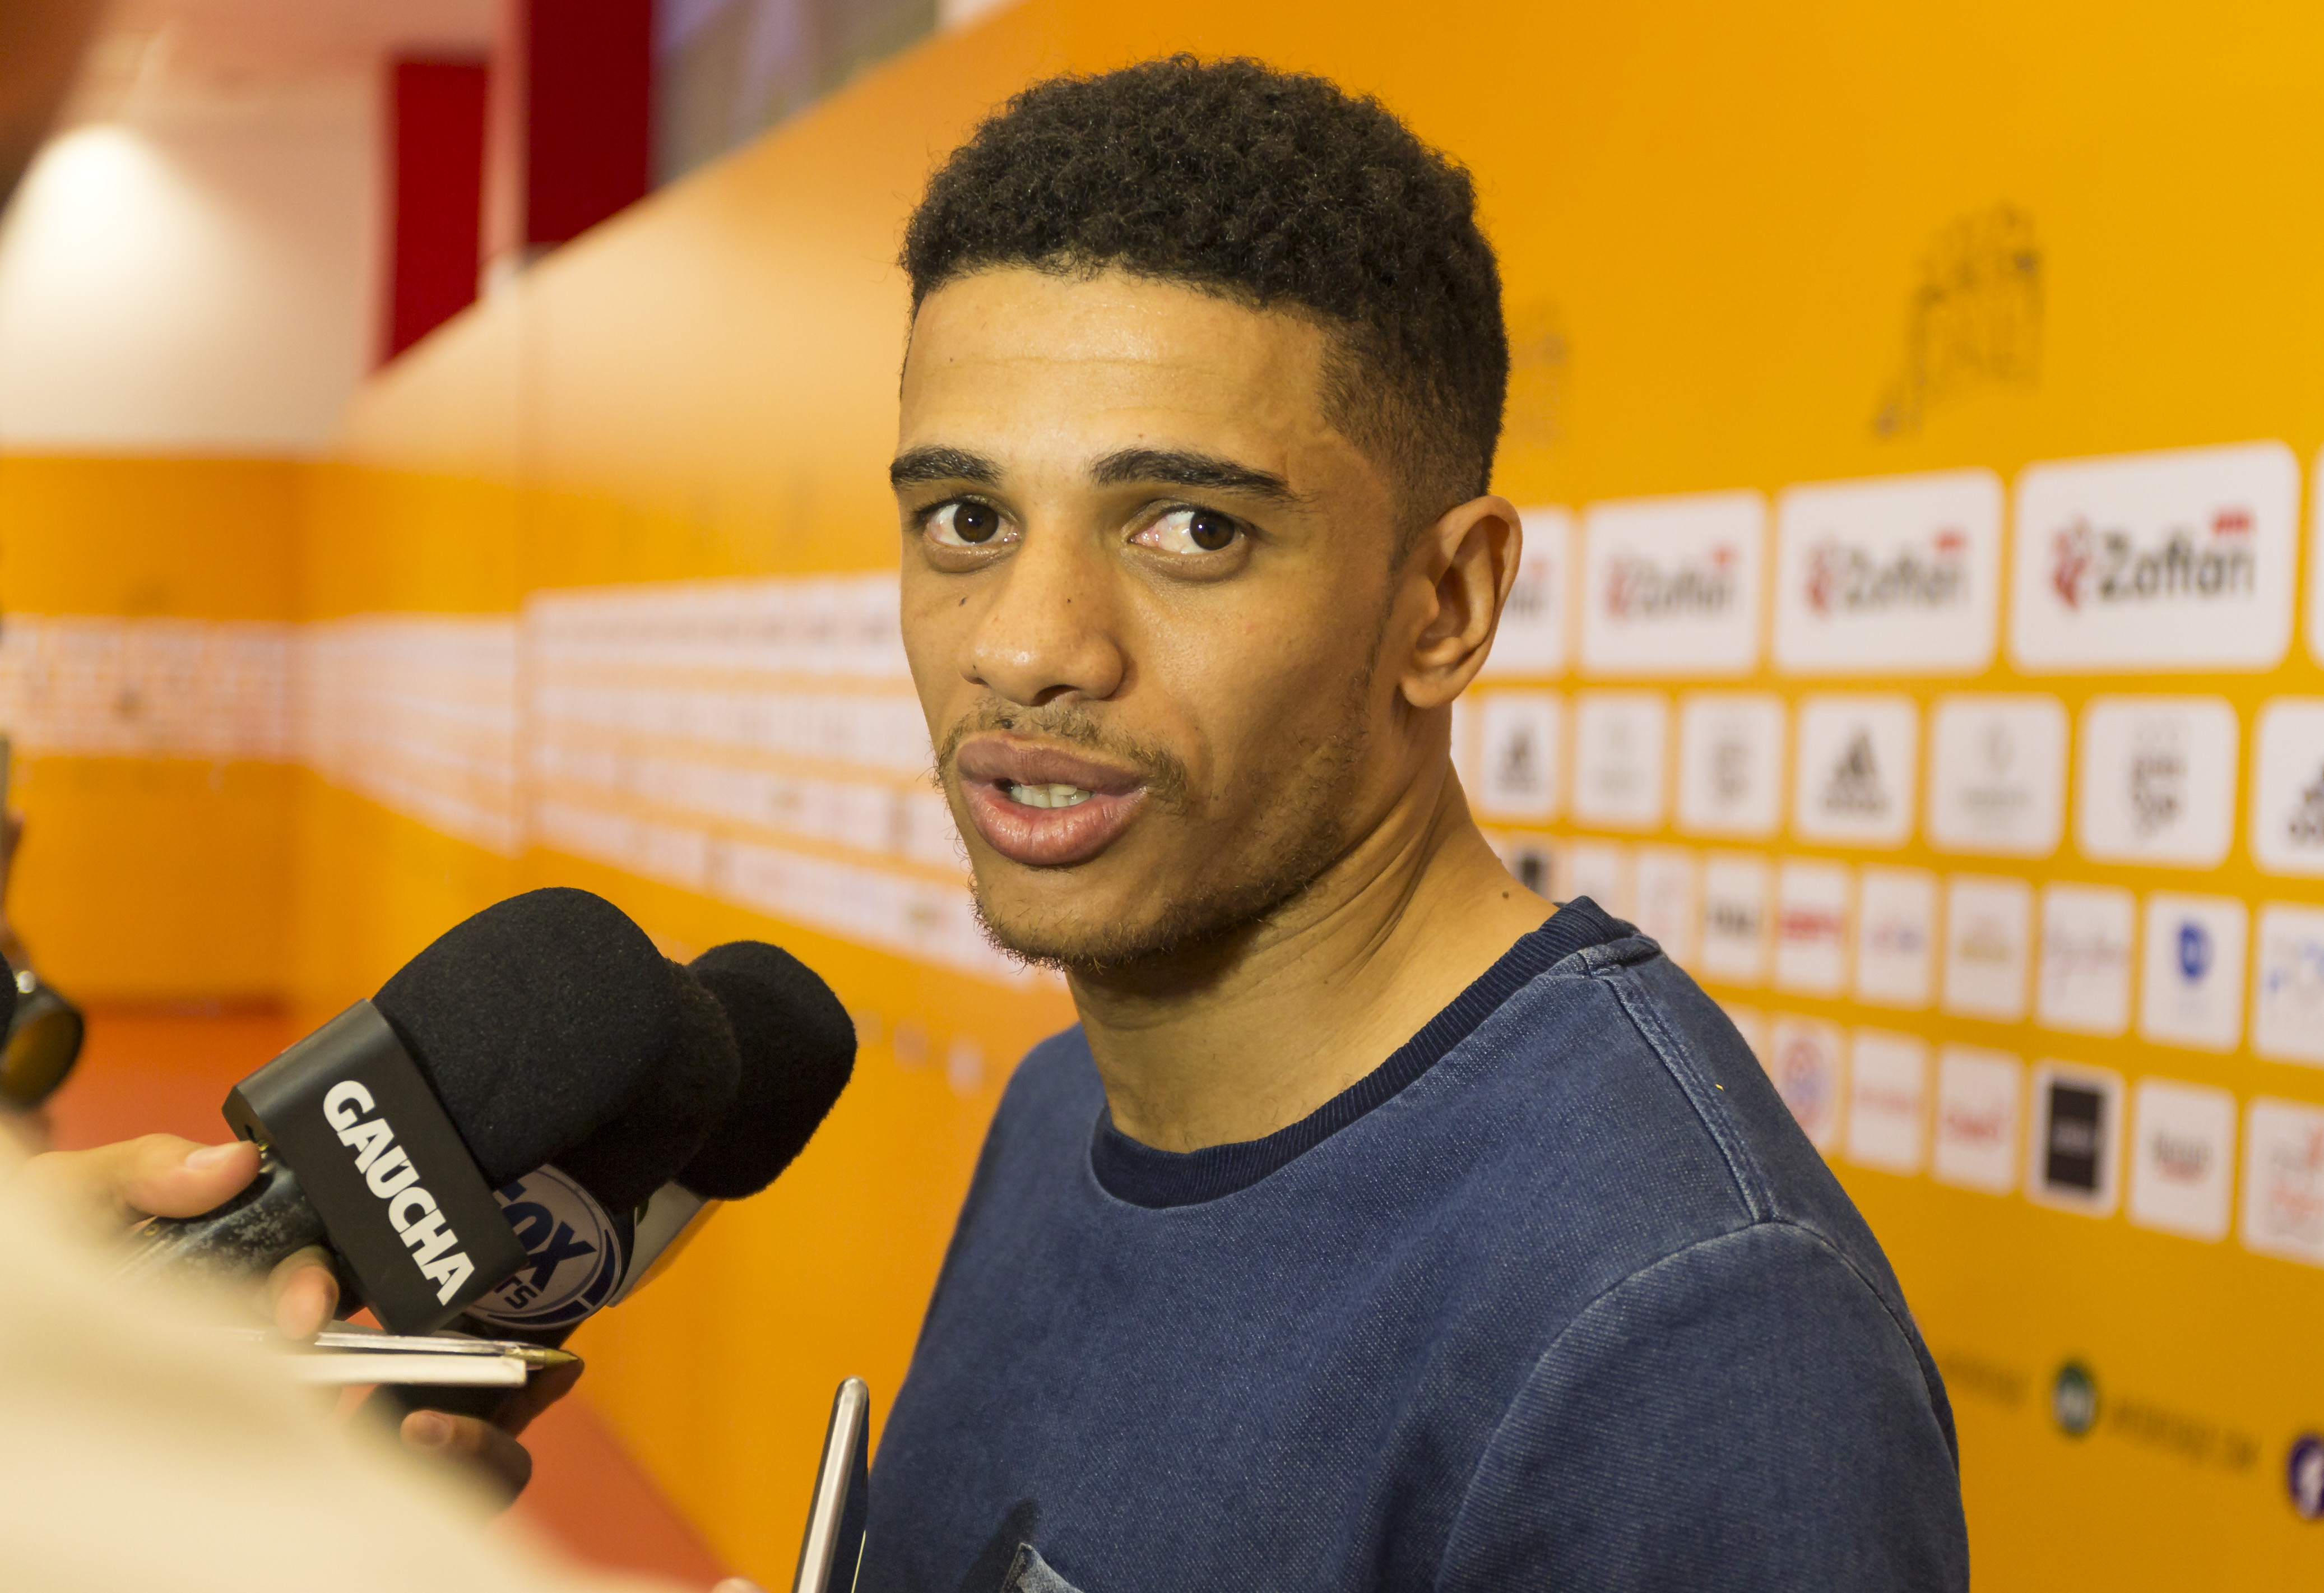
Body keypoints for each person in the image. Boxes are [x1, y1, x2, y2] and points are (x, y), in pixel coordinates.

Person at [862, 57, 1968, 1592]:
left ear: (1442, 605)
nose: (1028, 641)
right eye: (966, 520)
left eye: (1192, 529)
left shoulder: (1683, 1327)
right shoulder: (1060, 1108)